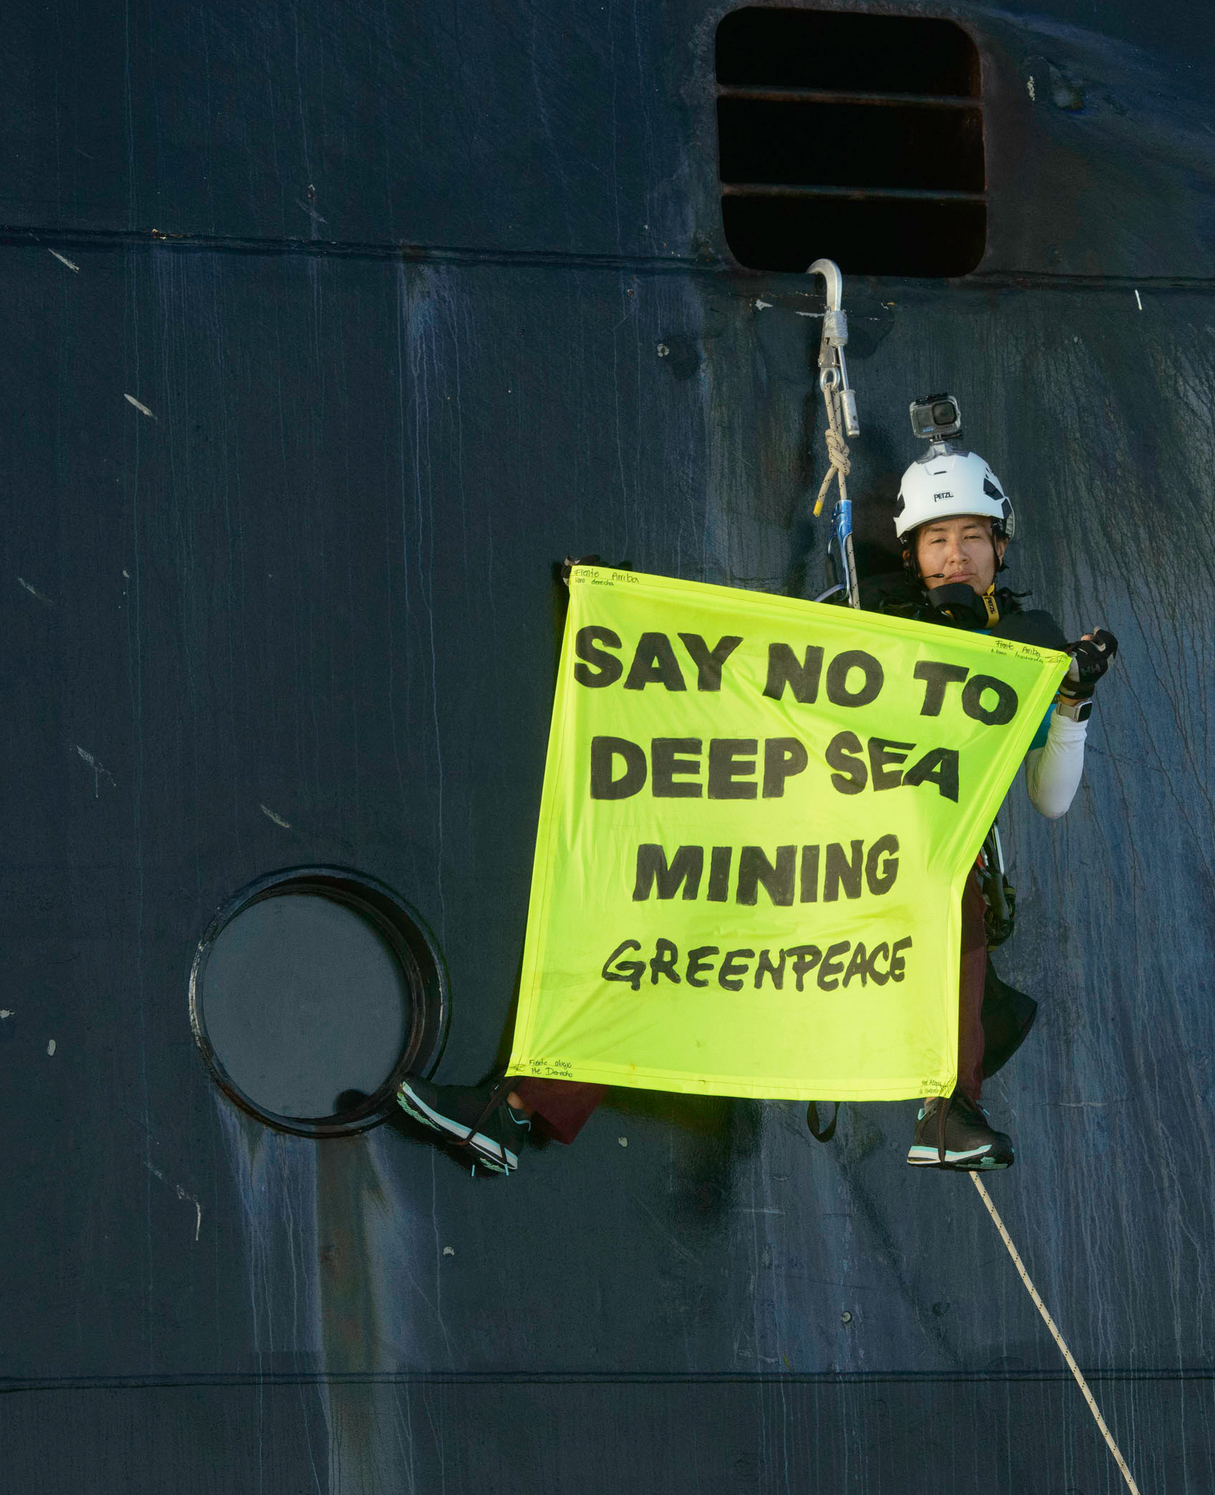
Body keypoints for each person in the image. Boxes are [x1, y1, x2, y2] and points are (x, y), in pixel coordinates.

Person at [396, 400, 1113, 1176]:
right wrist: (633, 621)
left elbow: (1051, 798)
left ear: (998, 546)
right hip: (808, 845)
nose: (955, 555)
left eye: (972, 536)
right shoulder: (859, 624)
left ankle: (950, 1108)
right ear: (911, 553)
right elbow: (752, 681)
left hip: (912, 868)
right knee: (674, 939)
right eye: (937, 539)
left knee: (949, 897)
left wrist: (1070, 702)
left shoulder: (1027, 651)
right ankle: (517, 1109)